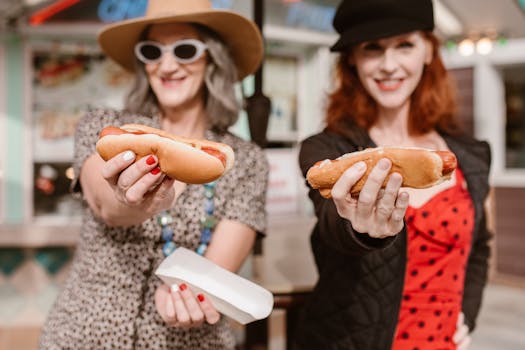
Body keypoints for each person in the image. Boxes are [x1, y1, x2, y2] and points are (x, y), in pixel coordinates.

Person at [39, 0, 268, 349]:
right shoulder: (104, 128)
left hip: (188, 342)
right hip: (83, 335)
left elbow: (217, 269)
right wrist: (133, 200)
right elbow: (106, 206)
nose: (167, 64)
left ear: (213, 60)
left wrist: (194, 292)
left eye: (185, 50)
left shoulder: (244, 160)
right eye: (152, 51)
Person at [295, 0, 492, 349]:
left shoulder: (471, 155)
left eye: (404, 45)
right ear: (352, 59)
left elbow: (480, 246)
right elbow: (331, 225)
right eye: (373, 48)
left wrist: (468, 313)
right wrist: (362, 230)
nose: (389, 65)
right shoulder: (327, 152)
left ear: (428, 50)